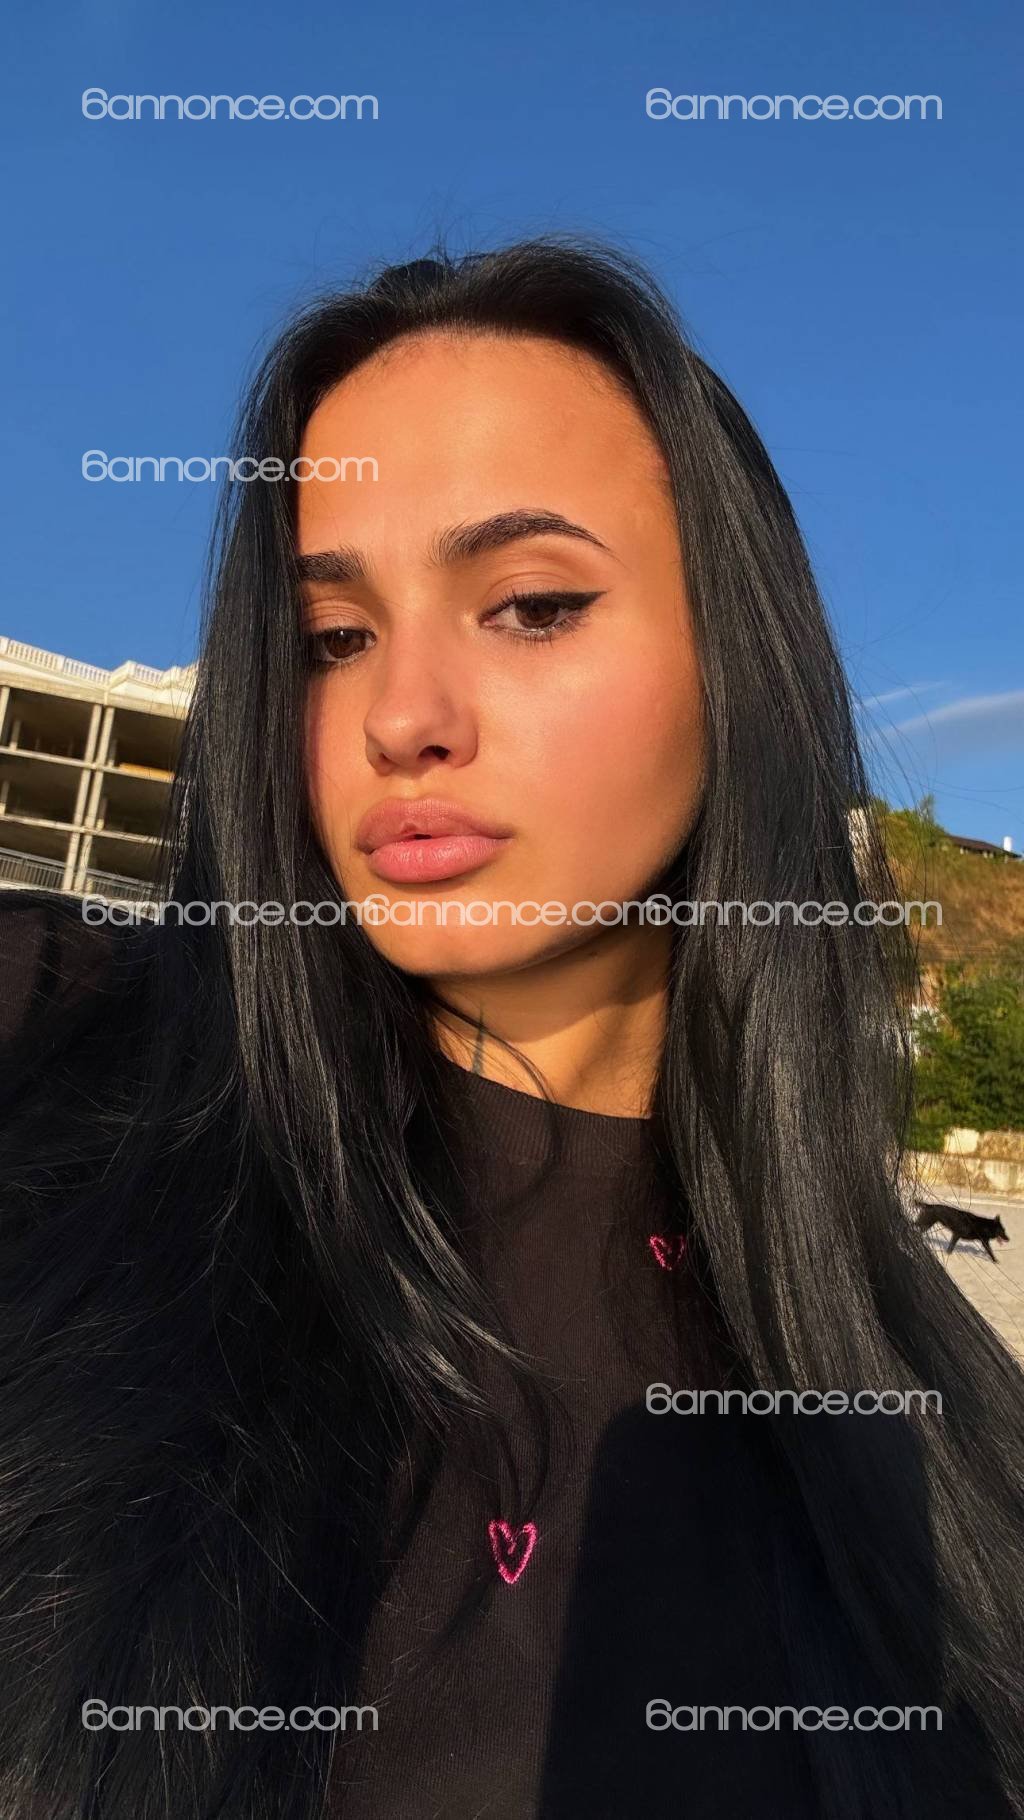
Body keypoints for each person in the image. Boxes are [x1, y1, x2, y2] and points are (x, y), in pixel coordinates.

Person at [0, 239, 1021, 1820]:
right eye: (332, 639)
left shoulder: (928, 1413)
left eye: (532, 607)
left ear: (738, 663)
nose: (403, 717)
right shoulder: (65, 1066)